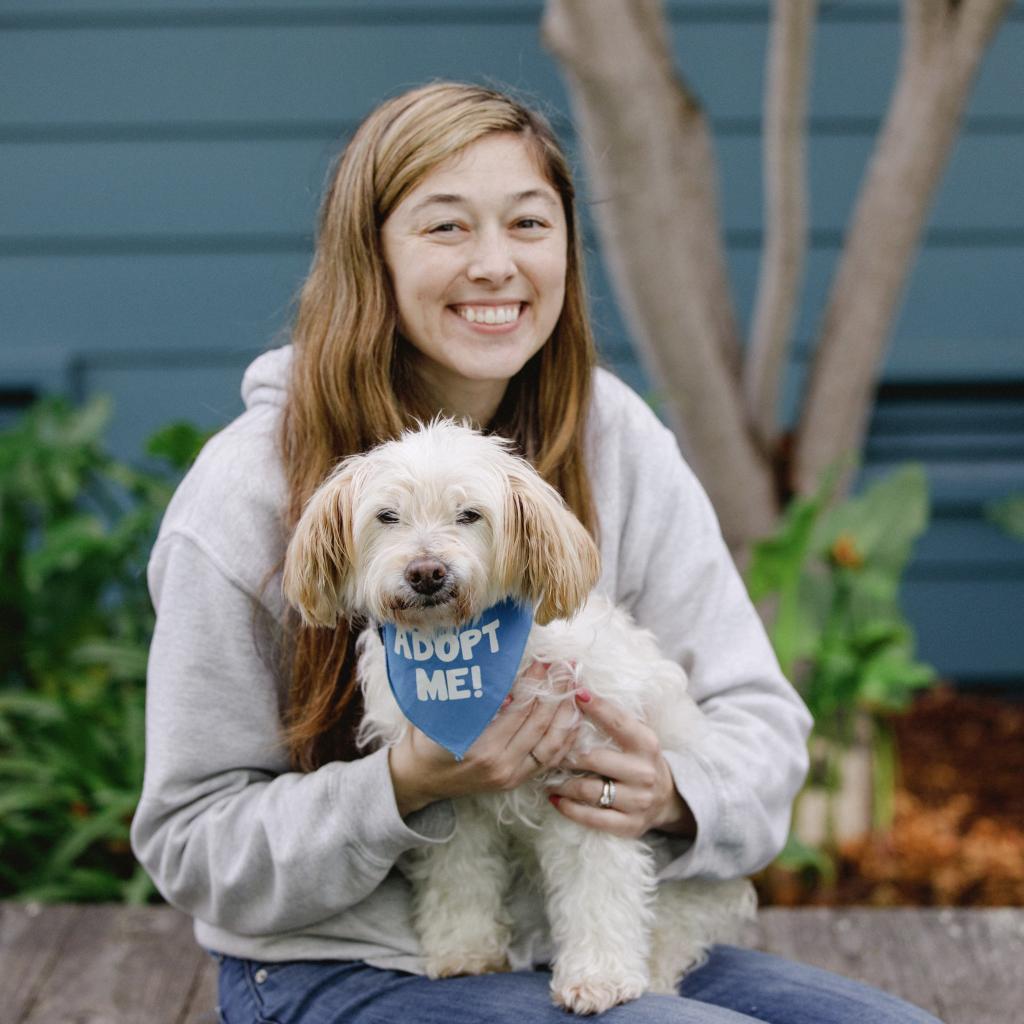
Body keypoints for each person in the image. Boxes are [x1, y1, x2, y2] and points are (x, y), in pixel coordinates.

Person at [130, 82, 941, 1024]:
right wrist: (401, 787)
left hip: (597, 930)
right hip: (338, 965)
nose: (495, 265)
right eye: (445, 228)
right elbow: (190, 844)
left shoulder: (612, 434)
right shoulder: (245, 492)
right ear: (371, 256)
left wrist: (673, 792)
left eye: (528, 222)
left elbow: (755, 715)